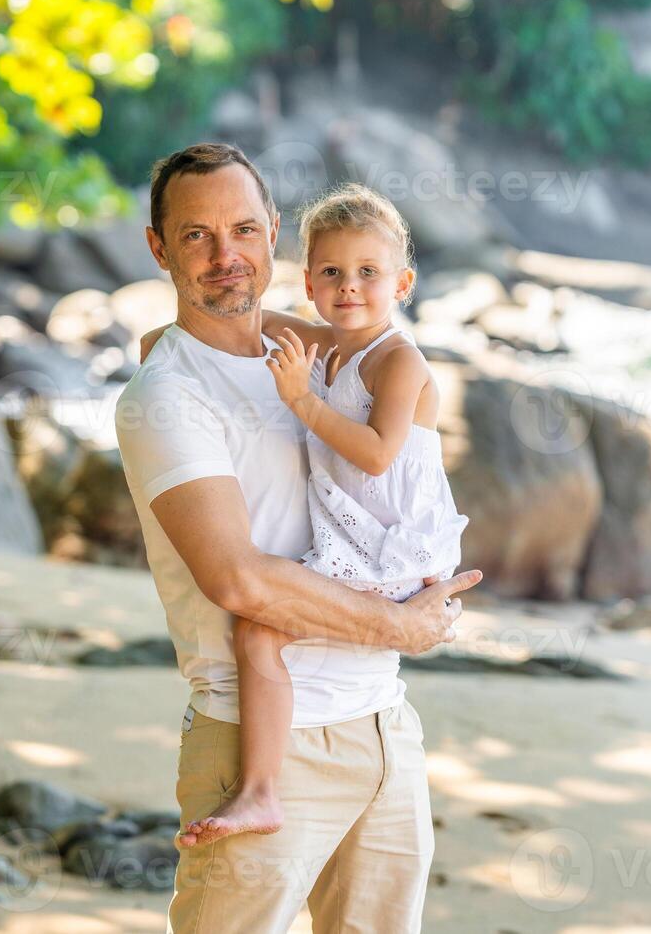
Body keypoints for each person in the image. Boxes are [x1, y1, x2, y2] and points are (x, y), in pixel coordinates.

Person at [113, 143, 481, 933]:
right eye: (196, 237)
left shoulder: (309, 352)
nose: (226, 256)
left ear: (275, 235)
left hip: (382, 725)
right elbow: (240, 582)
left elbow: (273, 330)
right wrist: (403, 626)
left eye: (244, 230)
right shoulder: (166, 397)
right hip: (261, 737)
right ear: (157, 247)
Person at [175, 182, 468, 850]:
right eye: (332, 272)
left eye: (370, 273)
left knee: (258, 631)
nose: (350, 287)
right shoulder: (330, 346)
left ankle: (259, 792)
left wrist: (299, 400)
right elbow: (254, 321)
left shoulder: (398, 360)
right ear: (308, 282)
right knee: (258, 632)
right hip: (359, 541)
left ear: (403, 283)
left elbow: (373, 455)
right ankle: (261, 790)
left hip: (392, 551)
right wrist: (169, 334)